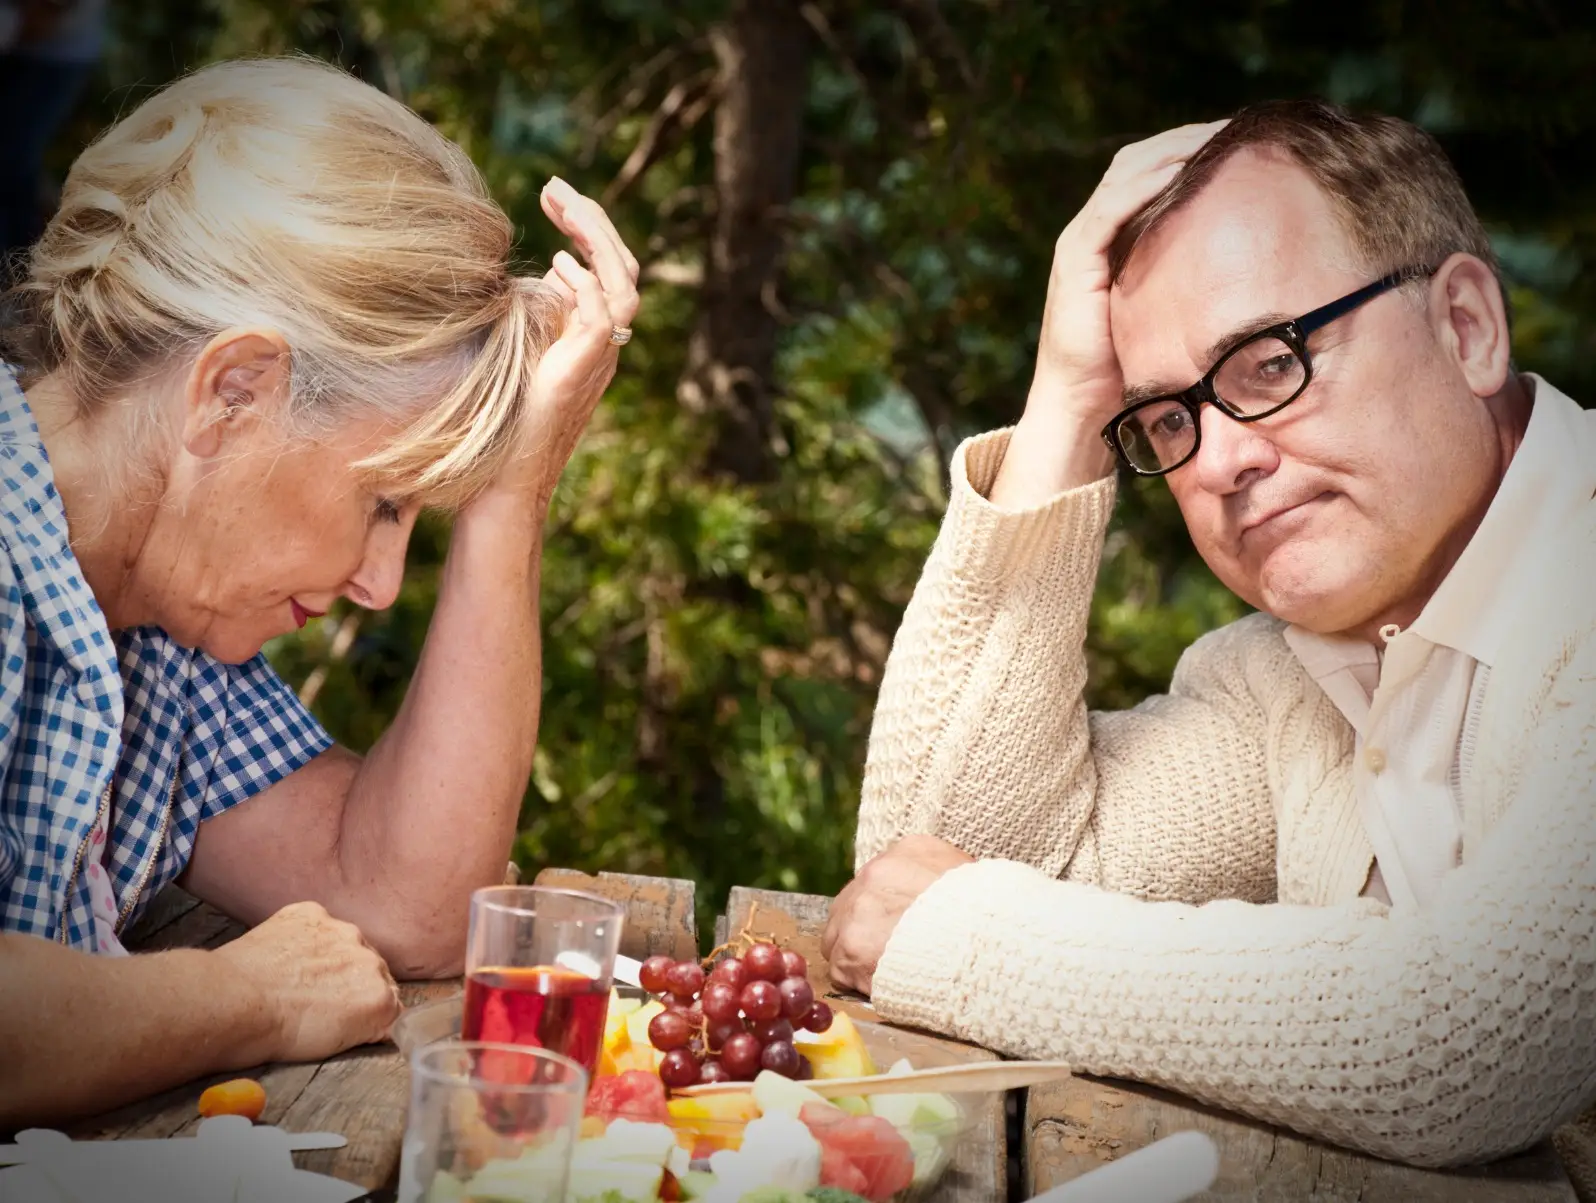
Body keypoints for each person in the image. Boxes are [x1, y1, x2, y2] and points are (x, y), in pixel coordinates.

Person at [822, 100, 1595, 1174]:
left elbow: (1469, 1044)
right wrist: (1066, 397)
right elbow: (928, 875)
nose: (1220, 461)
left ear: (1466, 327)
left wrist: (965, 939)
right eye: (1171, 416)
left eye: (1271, 362)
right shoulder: (1285, 678)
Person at [0, 56, 640, 1126]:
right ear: (232, 393)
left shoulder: (154, 615)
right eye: (386, 501)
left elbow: (413, 905)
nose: (381, 586)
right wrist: (245, 994)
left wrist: (510, 495)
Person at [0, 0, 108, 267]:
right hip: (23, 47)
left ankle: (22, 270)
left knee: (12, 165)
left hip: (56, 55)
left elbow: (46, 17)